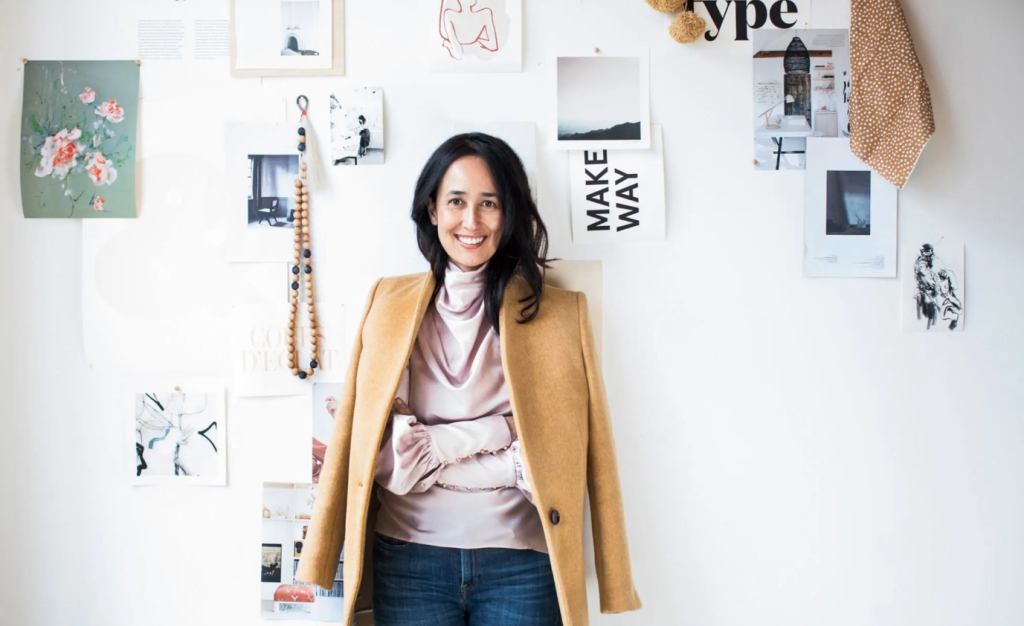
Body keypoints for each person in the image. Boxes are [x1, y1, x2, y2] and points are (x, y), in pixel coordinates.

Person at [296, 133, 641, 625]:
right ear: (432, 209)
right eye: (456, 201)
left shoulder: (561, 313)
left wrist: (439, 446)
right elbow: (388, 458)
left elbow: (562, 456)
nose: (471, 221)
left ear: (509, 213)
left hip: (522, 563)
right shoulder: (387, 303)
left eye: (489, 203)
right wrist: (503, 435)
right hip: (409, 561)